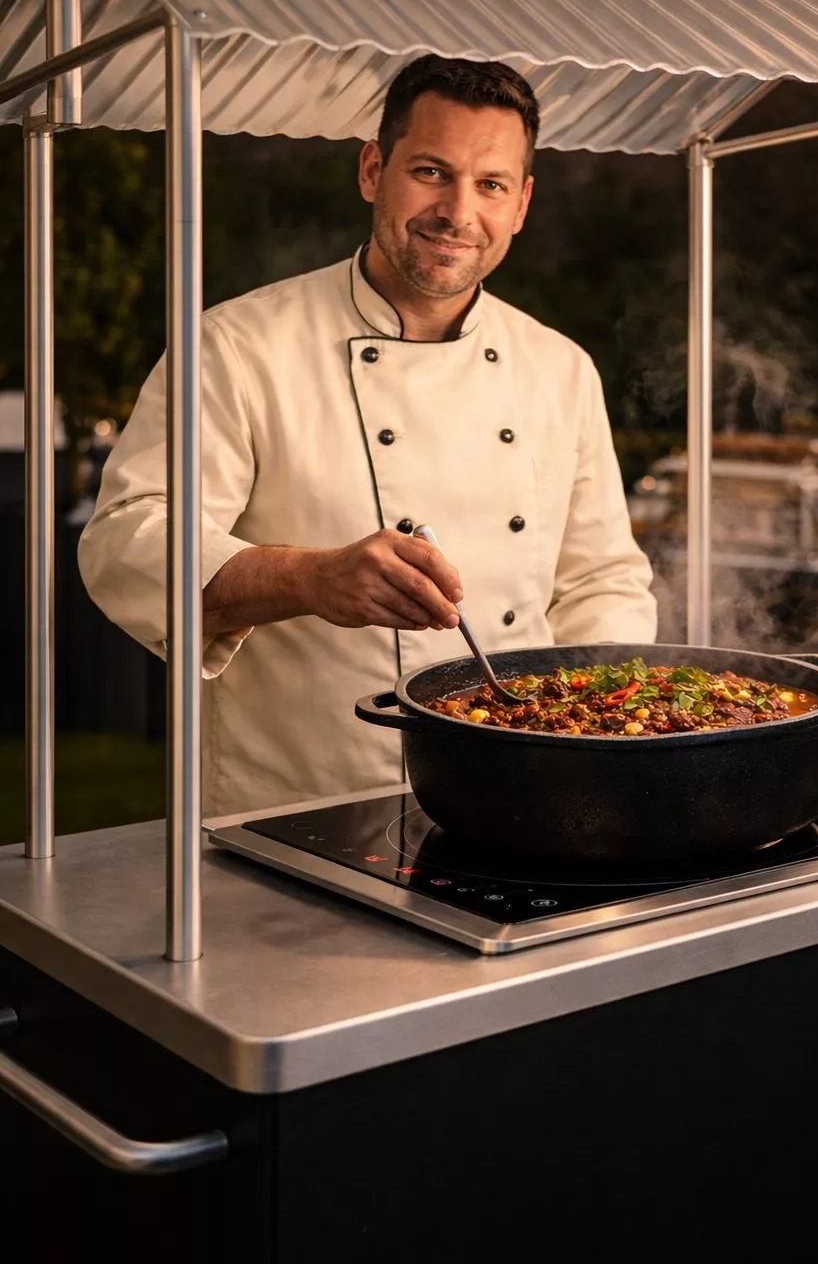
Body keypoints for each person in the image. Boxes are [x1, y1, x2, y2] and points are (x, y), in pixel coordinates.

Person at [79, 55, 657, 816]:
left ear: (521, 204)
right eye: (430, 171)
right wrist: (308, 579)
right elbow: (126, 540)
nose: (457, 211)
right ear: (372, 170)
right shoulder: (235, 345)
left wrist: (595, 733)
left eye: (490, 184)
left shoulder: (560, 369)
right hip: (300, 808)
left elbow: (601, 581)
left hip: (526, 799)